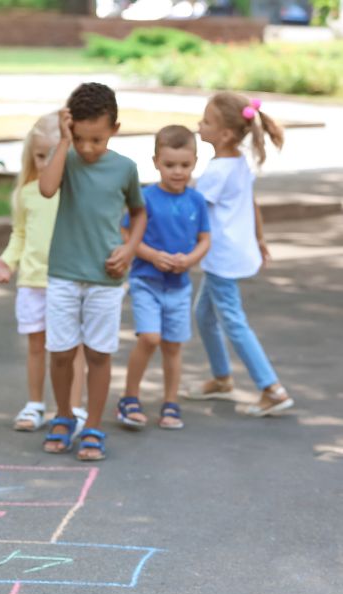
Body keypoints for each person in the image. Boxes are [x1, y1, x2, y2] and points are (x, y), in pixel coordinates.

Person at [39, 82, 147, 460]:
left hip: (107, 278)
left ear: (115, 129)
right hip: (64, 274)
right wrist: (64, 141)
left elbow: (139, 213)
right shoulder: (65, 157)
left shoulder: (125, 168)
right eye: (81, 138)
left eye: (96, 140)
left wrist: (130, 249)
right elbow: (47, 189)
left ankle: (95, 425)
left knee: (99, 354)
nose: (88, 148)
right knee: (61, 352)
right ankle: (64, 415)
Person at [186, 92, 294, 416]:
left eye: (206, 121)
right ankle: (222, 379)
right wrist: (259, 238)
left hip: (222, 256)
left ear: (226, 134)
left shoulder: (217, 171)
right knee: (204, 316)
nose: (199, 125)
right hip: (232, 251)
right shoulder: (237, 162)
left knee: (233, 321)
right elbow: (250, 202)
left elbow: (195, 214)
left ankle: (271, 388)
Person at [0, 112, 87, 434]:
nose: (46, 163)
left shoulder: (76, 191)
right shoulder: (26, 193)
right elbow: (19, 234)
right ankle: (35, 404)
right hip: (33, 282)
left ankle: (73, 407)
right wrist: (7, 262)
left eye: (53, 154)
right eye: (40, 155)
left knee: (73, 349)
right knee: (36, 345)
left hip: (69, 281)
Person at [118, 125, 211, 430]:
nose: (177, 172)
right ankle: (129, 397)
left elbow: (205, 240)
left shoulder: (196, 200)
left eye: (184, 165)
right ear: (156, 161)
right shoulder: (145, 197)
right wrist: (152, 255)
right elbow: (126, 232)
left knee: (172, 346)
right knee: (150, 338)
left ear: (195, 162)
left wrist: (190, 260)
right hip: (147, 281)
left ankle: (171, 403)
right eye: (170, 165)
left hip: (179, 286)